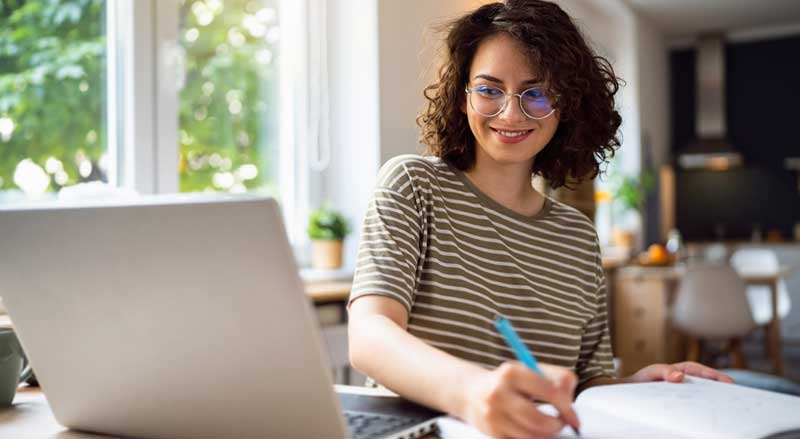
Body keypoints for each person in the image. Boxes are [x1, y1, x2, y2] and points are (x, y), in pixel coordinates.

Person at [347, 1, 733, 438]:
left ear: (565, 105)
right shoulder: (413, 185)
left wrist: (635, 388)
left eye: (537, 93)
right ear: (462, 96)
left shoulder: (577, 237)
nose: (511, 114)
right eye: (489, 89)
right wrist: (471, 392)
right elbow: (369, 336)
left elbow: (588, 383)